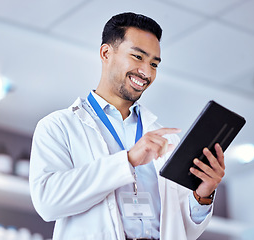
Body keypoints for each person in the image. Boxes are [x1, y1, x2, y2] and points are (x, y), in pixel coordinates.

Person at [29, 12, 225, 240]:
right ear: (105, 53)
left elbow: (181, 228)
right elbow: (48, 203)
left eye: (154, 64)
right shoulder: (58, 126)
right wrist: (128, 160)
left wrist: (203, 195)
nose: (147, 72)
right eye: (138, 57)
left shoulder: (165, 139)